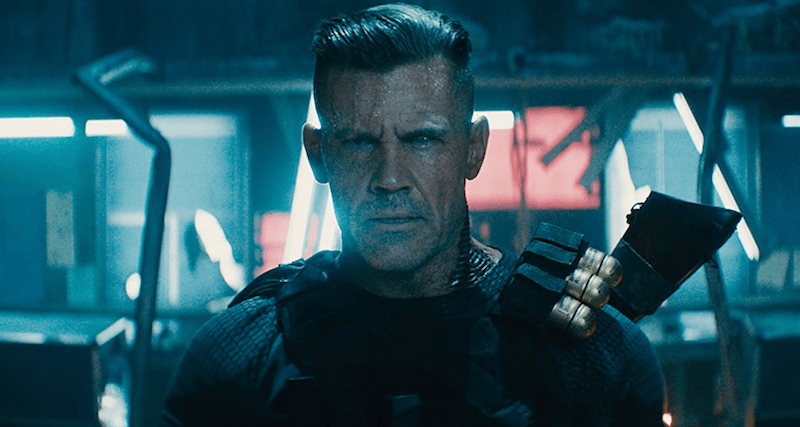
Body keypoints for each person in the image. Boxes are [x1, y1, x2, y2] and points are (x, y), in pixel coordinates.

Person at [160, 3, 665, 426]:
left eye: (422, 139)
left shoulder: (593, 353)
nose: (390, 177)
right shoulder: (241, 353)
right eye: (359, 142)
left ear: (473, 149)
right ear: (318, 154)